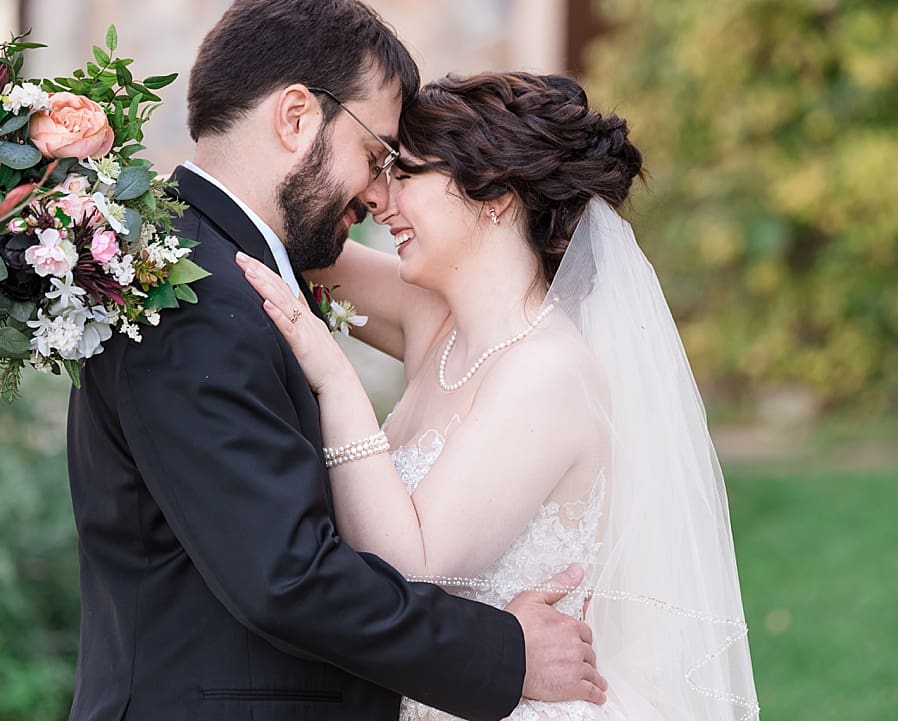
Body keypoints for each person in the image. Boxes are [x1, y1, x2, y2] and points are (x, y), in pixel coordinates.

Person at [65, 3, 607, 720]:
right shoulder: (193, 293)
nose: (378, 193)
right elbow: (286, 577)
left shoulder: (215, 263)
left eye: (400, 168)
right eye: (379, 153)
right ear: (295, 118)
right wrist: (504, 654)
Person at [238, 71, 761, 720]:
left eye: (406, 173)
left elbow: (410, 564)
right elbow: (272, 234)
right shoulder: (433, 313)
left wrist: (336, 380)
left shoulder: (548, 373)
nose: (379, 197)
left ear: (496, 198)